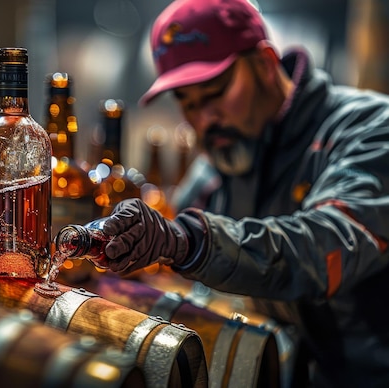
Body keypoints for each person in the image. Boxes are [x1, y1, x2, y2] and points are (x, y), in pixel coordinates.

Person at [101, 0, 389, 386]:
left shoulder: (370, 130)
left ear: (266, 63)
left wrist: (188, 241)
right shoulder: (219, 165)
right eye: (187, 103)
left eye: (215, 92)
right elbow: (171, 255)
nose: (203, 119)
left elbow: (324, 247)